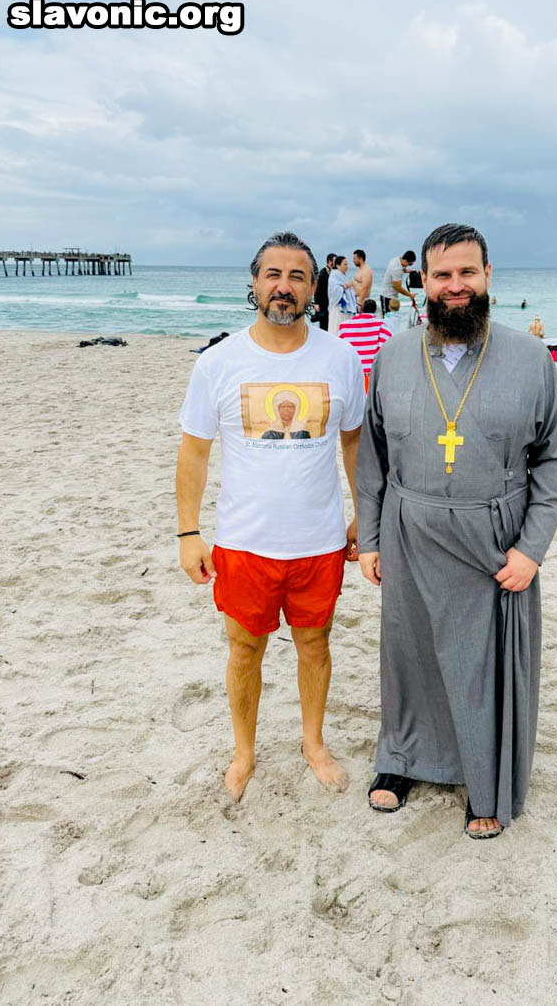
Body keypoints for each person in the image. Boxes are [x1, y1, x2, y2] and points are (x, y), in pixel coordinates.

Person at [356, 223, 557, 839]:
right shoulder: (393, 356)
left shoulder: (530, 359)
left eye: (467, 273)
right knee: (410, 652)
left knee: (481, 661)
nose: (456, 286)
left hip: (494, 543)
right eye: (443, 275)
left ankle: (484, 775)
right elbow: (373, 455)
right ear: (422, 281)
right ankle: (402, 758)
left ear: (487, 276)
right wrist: (369, 538)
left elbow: (553, 459)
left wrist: (531, 549)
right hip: (409, 530)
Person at [176, 231, 365, 802]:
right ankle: (244, 752)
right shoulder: (218, 362)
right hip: (243, 542)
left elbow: (354, 443)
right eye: (273, 275)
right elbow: (194, 452)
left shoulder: (339, 358)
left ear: (313, 288)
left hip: (319, 540)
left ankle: (313, 743)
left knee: (315, 644)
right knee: (244, 649)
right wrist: (189, 533)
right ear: (254, 284)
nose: (284, 287)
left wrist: (365, 514)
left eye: (297, 277)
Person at [338, 299, 393, 391]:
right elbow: (386, 350)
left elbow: (341, 350)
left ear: (361, 309)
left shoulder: (344, 325)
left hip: (351, 373)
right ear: (375, 310)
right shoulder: (382, 325)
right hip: (371, 374)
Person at [380, 250, 417, 333]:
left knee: (392, 320)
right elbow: (398, 287)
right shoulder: (397, 269)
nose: (409, 265)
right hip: (387, 296)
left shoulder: (396, 260)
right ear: (406, 260)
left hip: (392, 296)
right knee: (387, 320)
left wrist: (407, 270)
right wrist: (410, 295)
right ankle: (385, 337)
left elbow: (401, 268)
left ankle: (390, 335)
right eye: (410, 264)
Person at [327, 255, 358, 337]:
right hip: (338, 308)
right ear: (338, 265)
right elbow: (334, 291)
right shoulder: (334, 275)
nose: (347, 266)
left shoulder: (342, 275)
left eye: (347, 264)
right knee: (337, 330)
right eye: (345, 264)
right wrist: (347, 285)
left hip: (346, 309)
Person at [311, 253, 335, 331]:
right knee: (324, 324)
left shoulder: (333, 272)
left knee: (330, 323)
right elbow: (317, 289)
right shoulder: (323, 273)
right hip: (322, 303)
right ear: (330, 262)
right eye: (334, 261)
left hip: (329, 303)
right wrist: (316, 303)